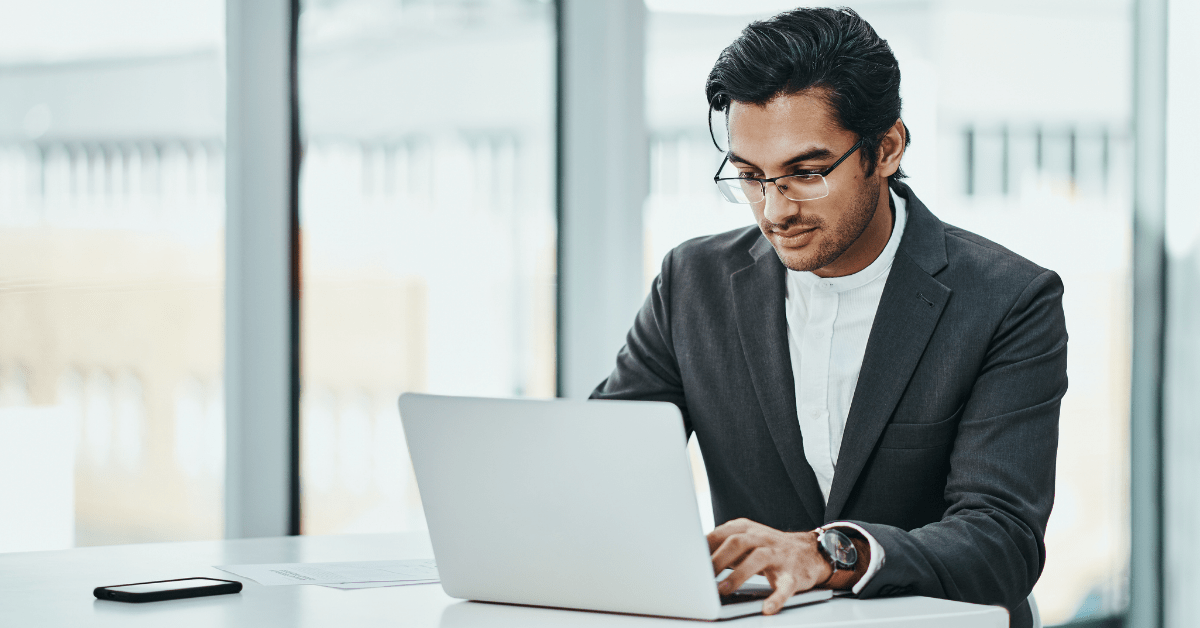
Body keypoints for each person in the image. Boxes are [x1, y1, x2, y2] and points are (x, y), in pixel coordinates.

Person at [590, 8, 1067, 628]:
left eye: (806, 173)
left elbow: (1003, 541)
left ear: (887, 147)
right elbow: (603, 468)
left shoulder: (1007, 299)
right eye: (750, 176)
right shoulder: (692, 285)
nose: (773, 209)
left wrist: (829, 552)